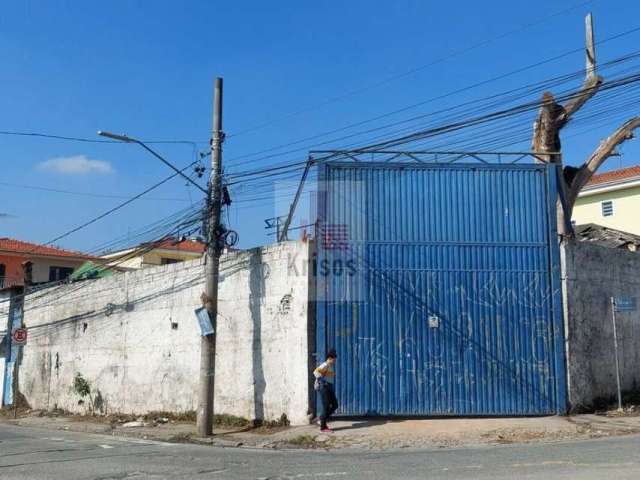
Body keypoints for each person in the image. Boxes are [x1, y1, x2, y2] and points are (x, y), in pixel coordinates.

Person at [314, 348, 338, 433]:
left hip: (329, 387)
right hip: (324, 387)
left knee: (335, 405)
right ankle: (323, 427)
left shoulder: (330, 366)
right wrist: (322, 380)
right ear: (330, 358)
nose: (335, 361)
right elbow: (316, 372)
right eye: (334, 359)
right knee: (326, 406)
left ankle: (322, 419)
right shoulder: (325, 365)